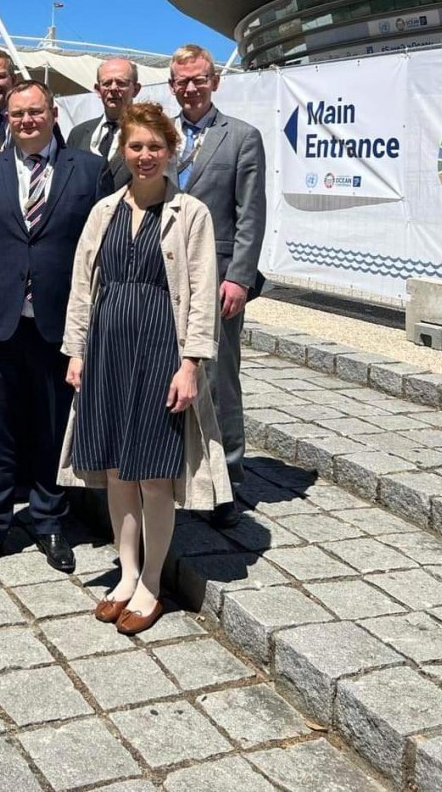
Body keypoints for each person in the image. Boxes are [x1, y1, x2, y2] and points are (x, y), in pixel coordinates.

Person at [60, 103, 231, 634]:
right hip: (109, 345)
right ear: (123, 151)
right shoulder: (105, 210)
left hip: (161, 346)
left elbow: (202, 294)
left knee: (155, 475)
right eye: (135, 146)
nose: (145, 155)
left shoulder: (191, 213)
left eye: (155, 146)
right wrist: (77, 351)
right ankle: (126, 572)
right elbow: (83, 286)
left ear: (170, 150)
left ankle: (153, 581)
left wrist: (191, 364)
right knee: (115, 469)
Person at [0, 80, 112, 575]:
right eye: (17, 113)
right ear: (8, 118)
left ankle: (49, 522)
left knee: (50, 428)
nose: (26, 120)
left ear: (53, 112)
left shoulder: (88, 169)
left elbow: (102, 251)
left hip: (59, 323)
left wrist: (95, 322)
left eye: (35, 111)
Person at [168, 43, 266, 526]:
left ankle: (227, 481)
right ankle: (175, 471)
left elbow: (251, 215)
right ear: (172, 86)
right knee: (171, 373)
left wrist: (240, 278)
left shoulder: (242, 137)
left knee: (219, 378)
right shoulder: (161, 137)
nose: (190, 88)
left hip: (218, 279)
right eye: (182, 81)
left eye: (198, 79)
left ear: (214, 81)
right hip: (163, 278)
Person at [66, 57, 142, 189]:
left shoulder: (147, 133)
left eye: (121, 83)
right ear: (97, 89)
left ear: (136, 89)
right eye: (106, 83)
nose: (113, 88)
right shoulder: (78, 134)